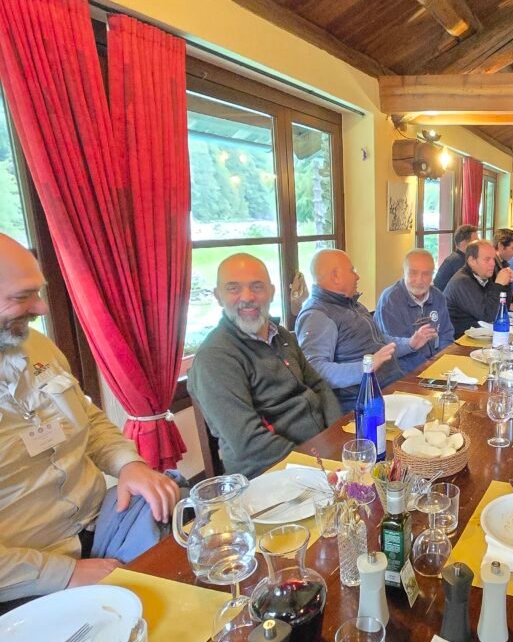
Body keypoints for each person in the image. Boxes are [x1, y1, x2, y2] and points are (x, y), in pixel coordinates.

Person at [0, 235, 181, 600]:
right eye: (23, 297)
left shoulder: (36, 344)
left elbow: (87, 417)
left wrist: (129, 464)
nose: (42, 308)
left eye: (39, 292)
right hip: (29, 581)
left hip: (106, 524)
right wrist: (64, 574)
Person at [188, 253, 340, 477]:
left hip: (318, 452)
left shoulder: (282, 336)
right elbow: (250, 443)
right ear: (218, 296)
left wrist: (336, 437)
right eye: (233, 288)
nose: (247, 297)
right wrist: (317, 467)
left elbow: (319, 386)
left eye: (257, 287)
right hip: (270, 474)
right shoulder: (215, 358)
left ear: (271, 292)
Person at [295, 249, 437, 412]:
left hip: (392, 387)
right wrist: (365, 366)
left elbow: (379, 342)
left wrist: (410, 344)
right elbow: (315, 369)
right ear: (336, 276)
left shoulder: (352, 304)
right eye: (352, 271)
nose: (357, 276)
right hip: (365, 403)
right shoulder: (317, 315)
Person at [374, 249, 454, 376]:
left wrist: (441, 360)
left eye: (426, 274)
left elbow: (446, 334)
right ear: (404, 273)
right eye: (413, 273)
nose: (419, 280)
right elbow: (389, 347)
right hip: (401, 373)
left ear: (432, 275)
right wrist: (426, 367)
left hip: (436, 368)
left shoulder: (438, 296)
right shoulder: (391, 300)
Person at [443, 239, 513, 338]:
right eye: (487, 259)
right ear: (472, 261)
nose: (493, 263)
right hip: (459, 340)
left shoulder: (482, 276)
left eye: (493, 259)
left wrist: (506, 284)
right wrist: (499, 285)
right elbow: (489, 316)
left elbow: (503, 308)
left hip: (478, 337)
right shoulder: (462, 281)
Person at [434, 224, 478, 293]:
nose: (478, 245)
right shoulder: (458, 262)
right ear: (464, 243)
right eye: (476, 242)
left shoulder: (459, 258)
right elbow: (469, 290)